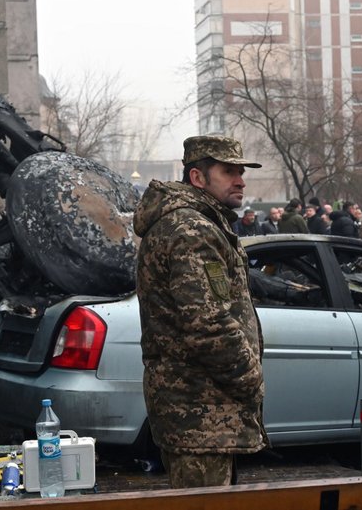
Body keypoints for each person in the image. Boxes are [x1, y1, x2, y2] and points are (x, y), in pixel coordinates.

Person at [133, 135, 267, 488]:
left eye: (241, 171)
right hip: (199, 412)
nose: (240, 180)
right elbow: (208, 323)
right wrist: (251, 380)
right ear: (197, 177)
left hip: (204, 413)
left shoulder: (200, 225)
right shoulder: (190, 230)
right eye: (228, 171)